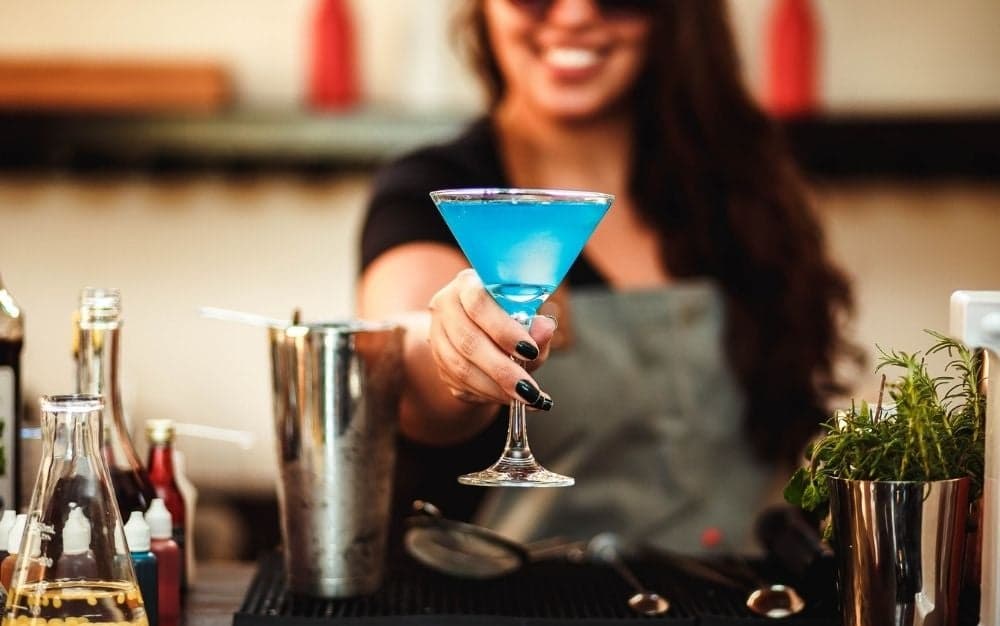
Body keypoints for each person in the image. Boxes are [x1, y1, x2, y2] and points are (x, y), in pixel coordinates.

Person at [358, 0, 855, 552]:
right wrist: (452, 338)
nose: (573, 15)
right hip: (526, 605)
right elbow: (404, 358)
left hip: (742, 599)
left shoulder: (743, 193)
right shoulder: (434, 188)